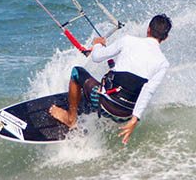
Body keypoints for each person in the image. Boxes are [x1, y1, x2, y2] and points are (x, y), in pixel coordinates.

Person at [49, 14, 171, 144]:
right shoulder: (163, 63)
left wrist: (97, 44)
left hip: (104, 105)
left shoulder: (128, 40)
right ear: (166, 37)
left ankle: (70, 119)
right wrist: (135, 119)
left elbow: (96, 57)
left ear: (148, 29)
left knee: (76, 72)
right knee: (117, 76)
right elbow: (148, 91)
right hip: (125, 117)